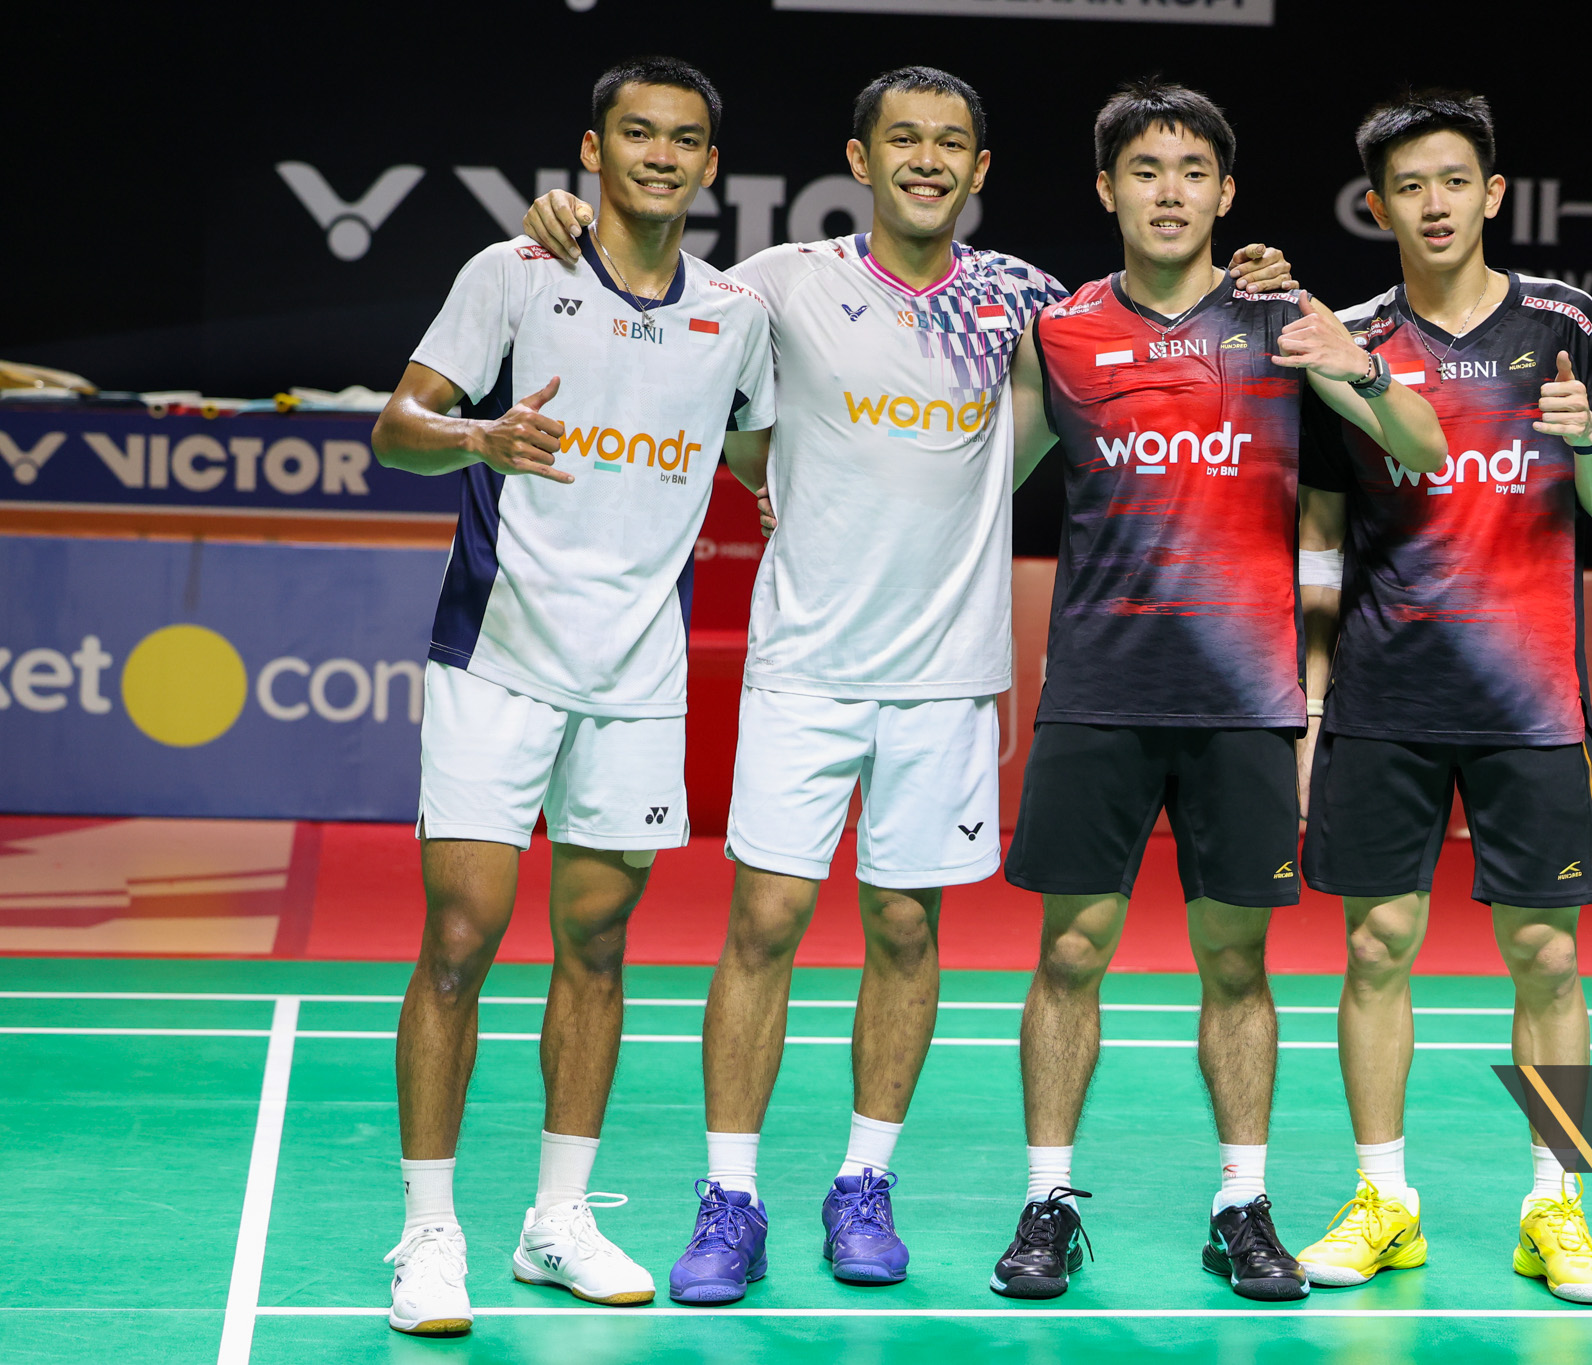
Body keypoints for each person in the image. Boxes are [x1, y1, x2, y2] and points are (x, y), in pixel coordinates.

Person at [516, 66, 1298, 1304]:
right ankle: (730, 1197)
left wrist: (1260, 277)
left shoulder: (1023, 302)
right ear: (860, 158)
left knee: (902, 929)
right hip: (805, 666)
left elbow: (1147, 327)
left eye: (949, 144)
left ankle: (863, 1182)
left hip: (943, 676)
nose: (925, 160)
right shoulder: (778, 284)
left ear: (979, 170)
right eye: (902, 140)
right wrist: (568, 225)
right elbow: (664, 314)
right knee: (762, 926)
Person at [989, 80, 1446, 1302]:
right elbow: (976, 477)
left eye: (1192, 170)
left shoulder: (1280, 320)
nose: (1169, 191)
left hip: (1243, 697)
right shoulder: (1060, 331)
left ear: (1225, 192)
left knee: (1235, 962)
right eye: (1145, 169)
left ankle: (1241, 1203)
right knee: (1069, 950)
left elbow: (1420, 446)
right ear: (1106, 189)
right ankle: (1045, 1202)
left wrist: (1349, 356)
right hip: (1098, 686)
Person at [366, 58, 773, 1336]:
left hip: (637, 676)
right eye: (635, 133)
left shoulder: (735, 315)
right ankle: (428, 1233)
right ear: (592, 151)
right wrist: (477, 437)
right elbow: (395, 429)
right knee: (459, 942)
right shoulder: (514, 275)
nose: (659, 155)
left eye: (684, 139)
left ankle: (556, 1221)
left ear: (711, 166)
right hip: (496, 658)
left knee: (597, 949)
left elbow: (765, 455)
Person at [1290, 89, 1592, 1305]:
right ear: (1376, 205)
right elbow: (1320, 535)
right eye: (1408, 187)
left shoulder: (1563, 320)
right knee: (1373, 945)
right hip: (1384, 690)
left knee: (1543, 952)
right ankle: (1383, 1199)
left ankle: (1556, 1207)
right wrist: (1311, 700)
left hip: (1530, 696)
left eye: (1453, 181)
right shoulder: (1347, 339)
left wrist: (1586, 441)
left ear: (1490, 193)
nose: (1432, 205)